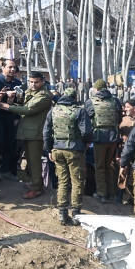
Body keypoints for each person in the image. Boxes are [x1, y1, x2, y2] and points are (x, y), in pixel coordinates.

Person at [0, 71, 53, 199]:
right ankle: (35, 182)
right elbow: (24, 106)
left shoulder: (44, 96)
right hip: (27, 131)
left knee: (34, 161)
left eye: (36, 82)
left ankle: (37, 188)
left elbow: (28, 110)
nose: (33, 84)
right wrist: (12, 102)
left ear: (42, 82)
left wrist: (8, 107)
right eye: (31, 82)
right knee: (29, 160)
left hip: (36, 133)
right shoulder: (31, 92)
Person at [43, 89, 92, 226]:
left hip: (57, 149)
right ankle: (76, 212)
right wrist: (85, 142)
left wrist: (49, 150)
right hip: (75, 150)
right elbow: (87, 131)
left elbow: (46, 132)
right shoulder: (80, 111)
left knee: (62, 181)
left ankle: (62, 212)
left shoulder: (53, 110)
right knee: (77, 181)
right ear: (75, 97)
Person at [84, 79, 123, 203]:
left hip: (99, 137)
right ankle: (111, 193)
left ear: (96, 89)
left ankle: (102, 194)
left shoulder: (90, 102)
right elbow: (119, 118)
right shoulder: (115, 100)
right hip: (113, 137)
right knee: (108, 166)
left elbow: (87, 120)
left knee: (99, 167)